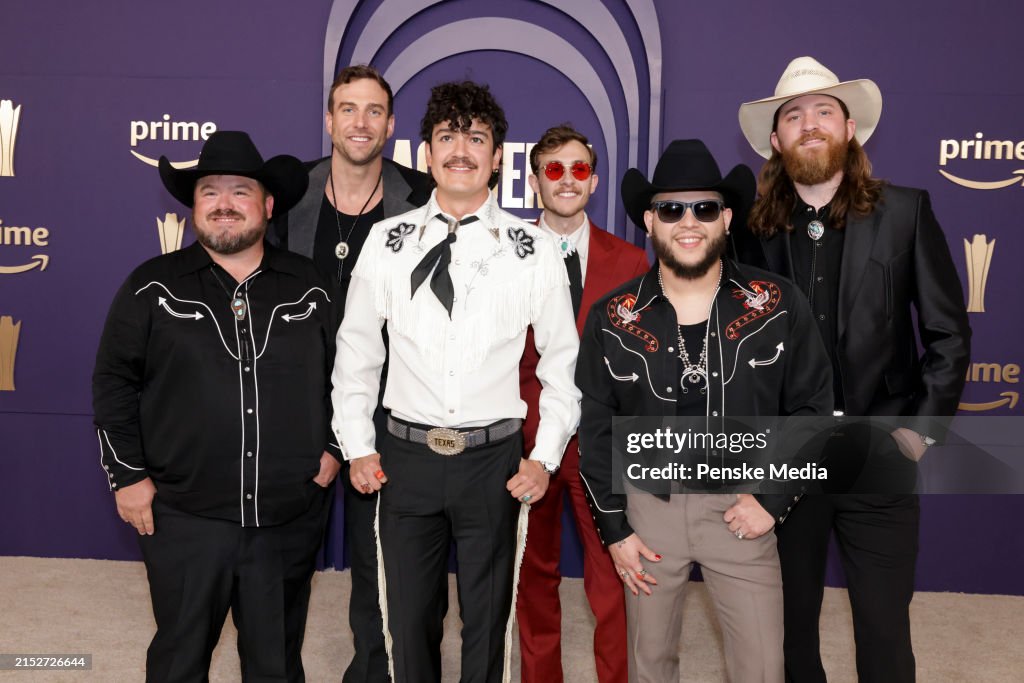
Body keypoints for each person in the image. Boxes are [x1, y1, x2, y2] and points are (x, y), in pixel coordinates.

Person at [333, 81, 581, 683]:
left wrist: (544, 458)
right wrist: (357, 445)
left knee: (487, 625)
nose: (461, 150)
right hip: (403, 460)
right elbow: (357, 352)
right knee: (405, 623)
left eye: (477, 137)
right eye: (448, 137)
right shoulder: (385, 242)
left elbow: (561, 367)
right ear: (426, 152)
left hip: (492, 464)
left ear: (498, 156)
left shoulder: (534, 250)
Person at [737, 56, 971, 682]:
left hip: (880, 453)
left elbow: (948, 332)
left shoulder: (905, 212)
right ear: (777, 140)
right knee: (790, 632)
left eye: (823, 111)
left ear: (849, 129)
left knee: (884, 628)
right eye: (793, 116)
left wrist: (919, 432)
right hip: (787, 460)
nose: (809, 125)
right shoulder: (752, 233)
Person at [577, 139, 833, 683]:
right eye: (671, 209)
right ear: (649, 220)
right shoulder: (611, 317)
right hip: (650, 514)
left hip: (741, 509)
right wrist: (616, 529)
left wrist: (772, 498)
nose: (688, 222)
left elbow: (812, 410)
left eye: (704, 208)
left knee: (763, 667)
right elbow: (596, 429)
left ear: (727, 218)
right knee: (649, 666)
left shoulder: (778, 303)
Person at [93, 131, 340, 682]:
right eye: (210, 191)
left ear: (268, 205)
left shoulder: (312, 286)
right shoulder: (150, 287)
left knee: (275, 662)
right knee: (179, 659)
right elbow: (113, 383)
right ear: (192, 206)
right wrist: (127, 476)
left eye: (240, 191)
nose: (224, 203)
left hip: (287, 514)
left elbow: (353, 374)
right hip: (185, 515)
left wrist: (335, 448)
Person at [269, 63, 431, 683]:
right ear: (328, 119)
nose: (359, 122)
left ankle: (375, 670)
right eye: (347, 109)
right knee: (279, 561)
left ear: (390, 126)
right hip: (297, 407)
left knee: (380, 559)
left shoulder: (421, 197)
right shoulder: (287, 196)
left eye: (373, 111)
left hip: (388, 407)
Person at [516, 124, 647, 683]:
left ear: (593, 182)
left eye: (577, 170)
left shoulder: (634, 262)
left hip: (602, 442)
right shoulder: (505, 252)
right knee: (531, 576)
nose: (566, 180)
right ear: (533, 181)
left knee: (614, 576)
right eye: (553, 169)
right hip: (528, 442)